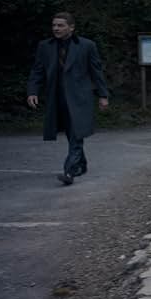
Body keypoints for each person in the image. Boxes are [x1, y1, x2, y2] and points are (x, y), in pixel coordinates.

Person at [27, 12, 110, 185]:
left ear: (71, 27)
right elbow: (37, 71)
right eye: (54, 25)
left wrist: (103, 95)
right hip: (56, 98)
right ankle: (81, 165)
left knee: (76, 134)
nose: (56, 28)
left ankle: (69, 172)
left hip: (80, 98)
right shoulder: (45, 46)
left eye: (60, 25)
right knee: (72, 135)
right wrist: (32, 91)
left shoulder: (87, 46)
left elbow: (96, 71)